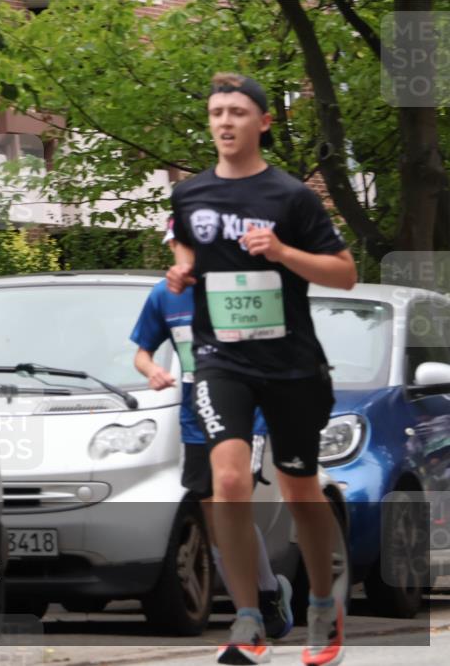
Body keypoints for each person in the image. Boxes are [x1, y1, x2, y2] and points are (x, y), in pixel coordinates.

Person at [166, 72, 356, 666]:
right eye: (217, 111)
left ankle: (323, 604)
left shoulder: (291, 197)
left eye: (239, 112)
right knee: (226, 482)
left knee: (301, 489)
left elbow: (344, 272)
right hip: (221, 358)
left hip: (292, 365)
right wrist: (180, 270)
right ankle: (247, 622)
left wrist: (281, 254)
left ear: (264, 123)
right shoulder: (190, 193)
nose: (225, 122)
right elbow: (186, 245)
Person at [131, 227, 293, 639]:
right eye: (176, 245)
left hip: (244, 415)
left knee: (228, 507)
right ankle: (260, 596)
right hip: (195, 419)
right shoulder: (162, 296)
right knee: (214, 517)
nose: (183, 252)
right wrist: (153, 372)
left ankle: (256, 606)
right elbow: (141, 353)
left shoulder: (241, 287)